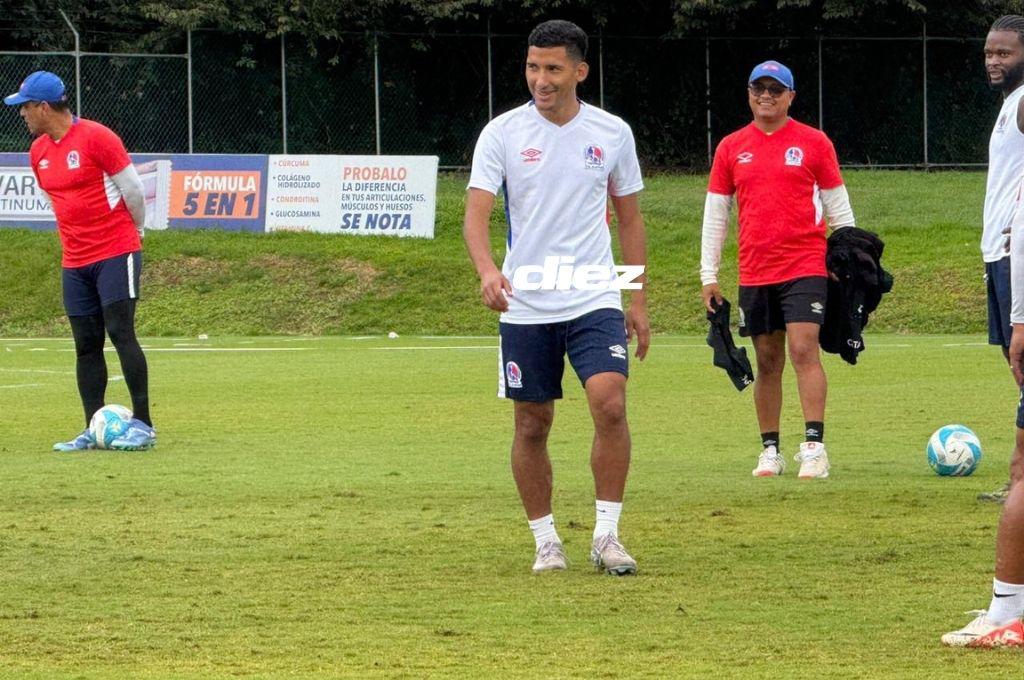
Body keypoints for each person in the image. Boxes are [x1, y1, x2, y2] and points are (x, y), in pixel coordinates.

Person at [463, 20, 650, 574]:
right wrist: (488, 270)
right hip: (527, 301)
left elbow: (631, 219)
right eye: (532, 67)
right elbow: (476, 214)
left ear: (579, 71)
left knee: (610, 403)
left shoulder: (612, 133)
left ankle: (607, 536)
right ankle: (546, 540)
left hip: (593, 294)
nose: (540, 80)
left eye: (552, 69)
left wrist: (635, 299)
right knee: (531, 424)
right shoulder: (501, 133)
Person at [700, 60, 856, 479]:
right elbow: (716, 214)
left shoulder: (814, 142)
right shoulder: (731, 147)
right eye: (758, 88)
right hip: (755, 270)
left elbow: (839, 210)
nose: (766, 96)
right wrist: (708, 274)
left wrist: (847, 260)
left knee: (804, 350)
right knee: (768, 362)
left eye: (775, 89)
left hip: (806, 264)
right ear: (749, 93)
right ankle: (770, 450)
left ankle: (814, 447)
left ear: (791, 96)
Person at [4, 71, 156, 451]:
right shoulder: (38, 151)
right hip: (75, 261)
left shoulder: (98, 138)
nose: (20, 114)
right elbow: (53, 201)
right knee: (86, 344)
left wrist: (133, 232)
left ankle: (144, 425)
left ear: (43, 107)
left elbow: (133, 190)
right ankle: (93, 426)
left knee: (120, 333)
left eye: (24, 107)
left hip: (115, 251)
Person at [977, 15, 1024, 505]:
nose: (994, 60)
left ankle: (1021, 479)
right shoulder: (1009, 106)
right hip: (997, 251)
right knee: (1015, 363)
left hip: (1017, 250)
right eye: (990, 52)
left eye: (1004, 53)